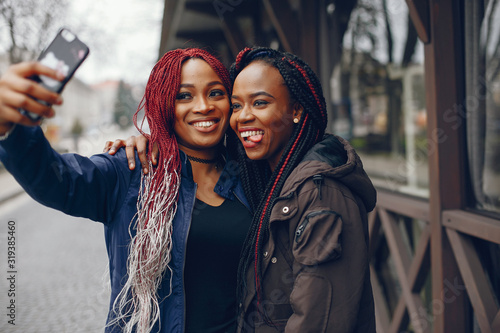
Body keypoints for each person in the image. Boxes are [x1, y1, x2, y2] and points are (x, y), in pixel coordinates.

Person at [114, 47, 377, 332]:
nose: (242, 117)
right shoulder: (268, 179)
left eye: (260, 103)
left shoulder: (321, 191)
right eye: (237, 105)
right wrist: (155, 141)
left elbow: (321, 320)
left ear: (297, 110)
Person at [0, 48, 252, 333]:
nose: (204, 106)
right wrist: (12, 128)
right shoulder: (133, 170)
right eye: (184, 95)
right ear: (164, 104)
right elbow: (57, 179)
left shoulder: (249, 174)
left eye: (216, 93)